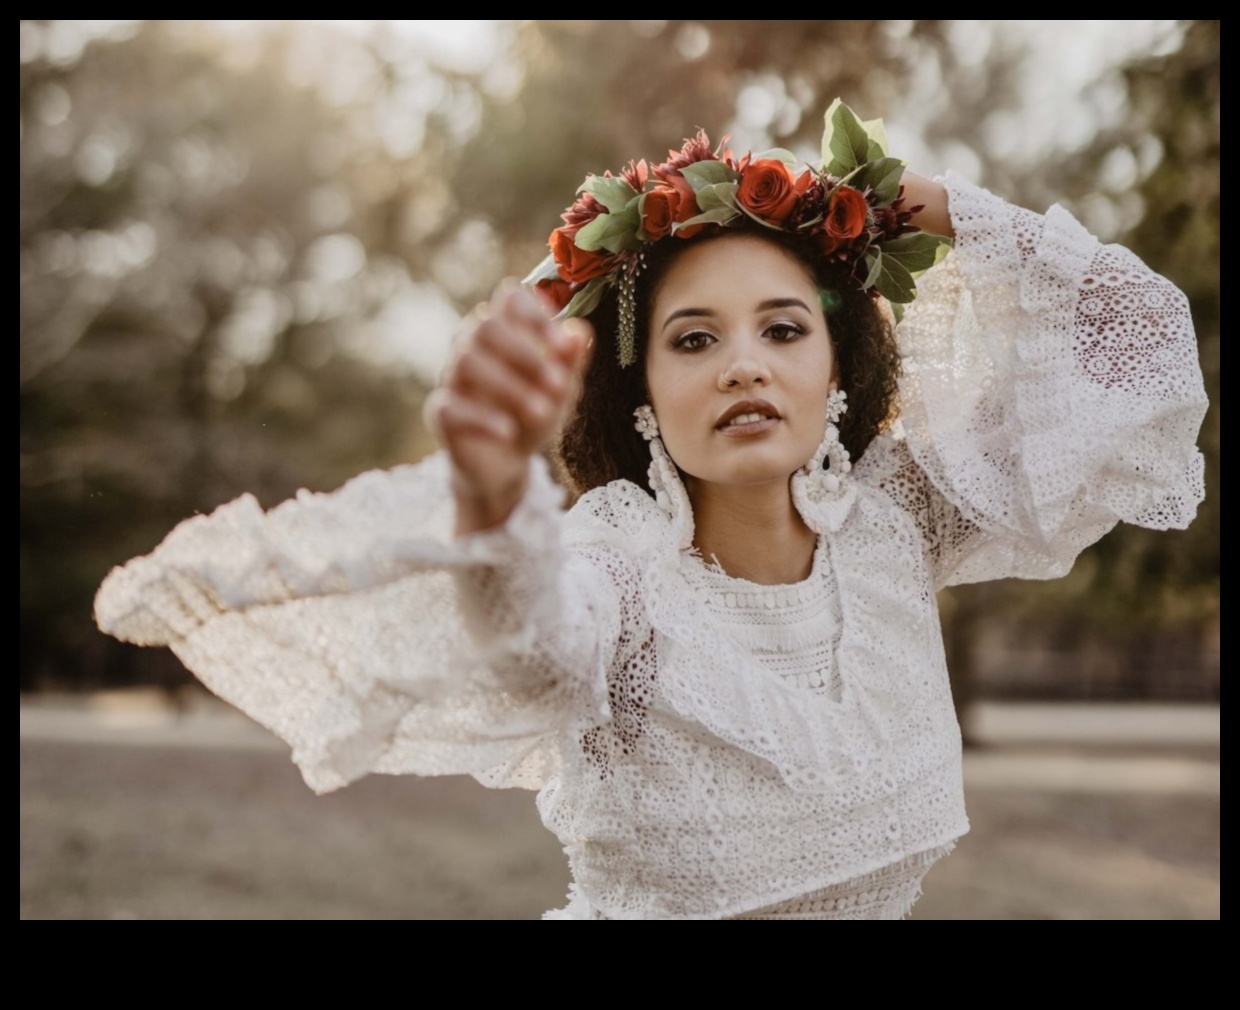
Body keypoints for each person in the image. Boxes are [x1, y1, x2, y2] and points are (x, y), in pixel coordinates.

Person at [94, 101, 1208, 920]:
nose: (741, 366)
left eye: (782, 328)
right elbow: (530, 639)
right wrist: (489, 491)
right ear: (638, 395)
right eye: (693, 338)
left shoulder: (897, 521)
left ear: (839, 371)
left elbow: (1136, 350)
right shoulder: (616, 570)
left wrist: (919, 205)